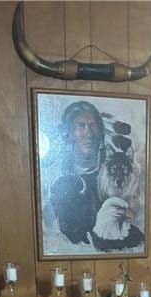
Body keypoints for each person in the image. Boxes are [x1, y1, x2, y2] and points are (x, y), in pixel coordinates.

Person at [51, 101, 105, 244]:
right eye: (81, 126)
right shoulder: (57, 179)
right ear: (69, 134)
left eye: (93, 126)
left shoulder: (111, 178)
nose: (89, 133)